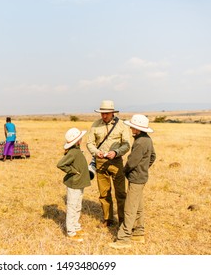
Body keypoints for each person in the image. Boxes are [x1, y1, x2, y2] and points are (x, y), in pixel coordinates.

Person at [108, 114, 156, 249]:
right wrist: (144, 168)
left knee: (129, 209)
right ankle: (139, 234)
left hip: (135, 179)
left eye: (133, 127)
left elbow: (132, 162)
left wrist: (124, 171)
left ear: (138, 129)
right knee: (138, 207)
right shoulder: (147, 139)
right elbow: (153, 156)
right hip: (141, 178)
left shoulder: (140, 142)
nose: (131, 129)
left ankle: (124, 239)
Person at [86, 100, 131, 228]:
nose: (104, 116)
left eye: (107, 113)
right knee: (104, 193)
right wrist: (96, 152)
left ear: (112, 113)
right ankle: (108, 219)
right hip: (100, 163)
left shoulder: (121, 125)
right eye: (102, 113)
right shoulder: (95, 125)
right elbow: (89, 143)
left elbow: (127, 144)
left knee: (121, 193)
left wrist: (116, 152)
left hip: (116, 162)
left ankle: (123, 220)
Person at [57, 128, 91, 242]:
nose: (81, 139)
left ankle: (76, 227)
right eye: (80, 138)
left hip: (79, 183)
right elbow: (61, 164)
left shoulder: (76, 150)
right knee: (72, 207)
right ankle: (71, 232)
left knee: (77, 206)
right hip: (74, 183)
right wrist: (73, 171)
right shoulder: (73, 152)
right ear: (78, 141)